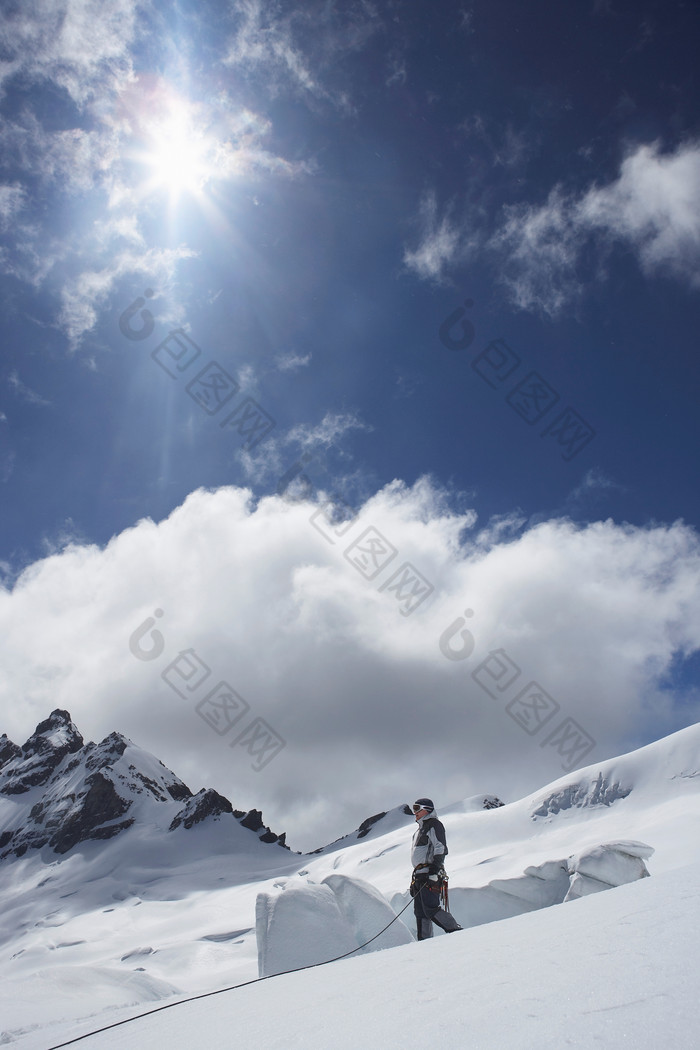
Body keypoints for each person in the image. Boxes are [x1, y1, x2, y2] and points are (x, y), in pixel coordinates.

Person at [410, 797, 463, 940]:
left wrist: (434, 870)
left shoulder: (434, 825)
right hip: (420, 875)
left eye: (417, 808)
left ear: (427, 809)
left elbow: (441, 847)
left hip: (430, 874)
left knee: (430, 908)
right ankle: (424, 941)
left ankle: (455, 930)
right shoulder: (418, 831)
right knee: (420, 911)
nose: (414, 812)